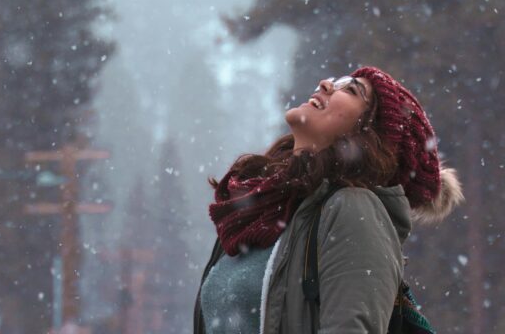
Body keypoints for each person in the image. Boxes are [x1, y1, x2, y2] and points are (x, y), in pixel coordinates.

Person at [193, 66, 464, 334]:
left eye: (352, 90)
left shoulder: (352, 210)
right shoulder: (257, 212)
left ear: (368, 136)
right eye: (338, 80)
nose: (325, 84)